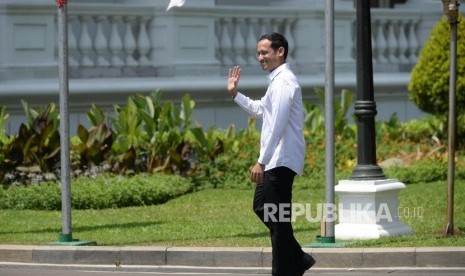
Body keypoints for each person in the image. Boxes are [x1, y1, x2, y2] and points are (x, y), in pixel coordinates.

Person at [227, 32, 316, 276]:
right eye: (258, 53)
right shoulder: (276, 82)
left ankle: (286, 269)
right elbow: (261, 110)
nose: (260, 57)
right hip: (276, 160)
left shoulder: (285, 82)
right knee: (263, 209)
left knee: (277, 220)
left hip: (281, 160)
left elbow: (277, 124)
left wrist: (261, 162)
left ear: (280, 52)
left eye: (264, 52)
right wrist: (236, 94)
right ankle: (297, 258)